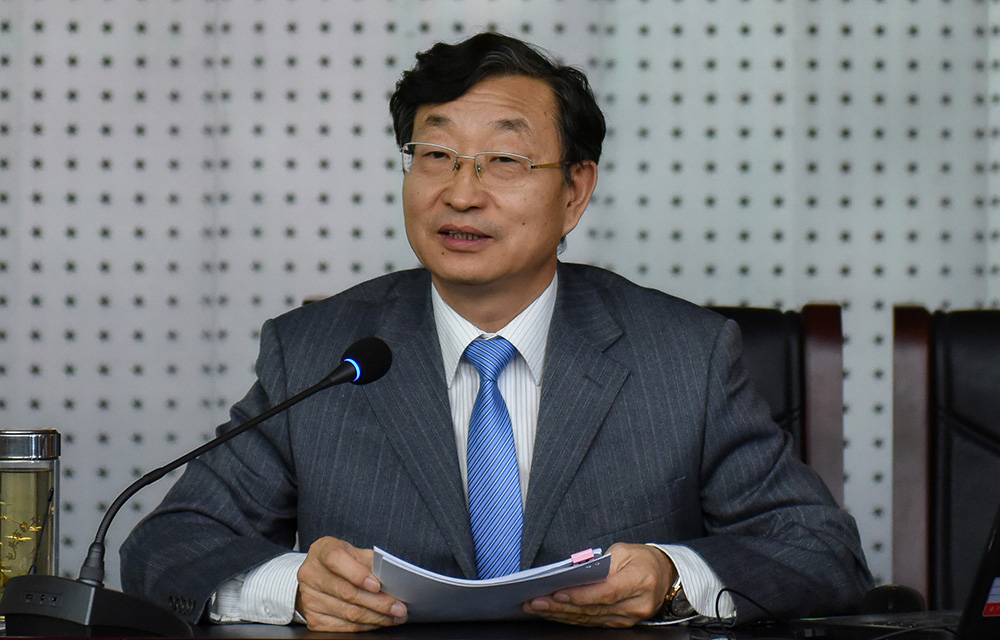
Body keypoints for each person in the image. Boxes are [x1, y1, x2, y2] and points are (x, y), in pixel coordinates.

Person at [120, 31, 873, 632]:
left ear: (575, 190)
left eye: (504, 160)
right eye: (435, 155)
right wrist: (294, 587)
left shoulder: (683, 356)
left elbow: (821, 553)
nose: (461, 193)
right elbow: (166, 547)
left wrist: (672, 577)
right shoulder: (320, 353)